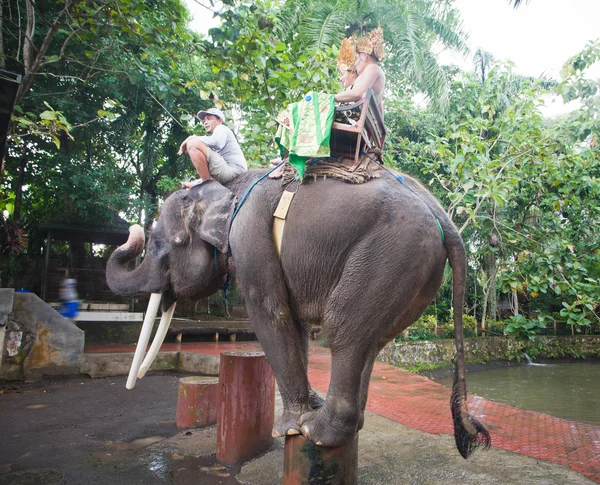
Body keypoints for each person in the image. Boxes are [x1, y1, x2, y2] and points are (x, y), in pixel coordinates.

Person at [178, 107, 248, 188]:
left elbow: (217, 143)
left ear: (220, 120)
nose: (205, 122)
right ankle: (203, 184)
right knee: (195, 144)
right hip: (228, 171)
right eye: (204, 120)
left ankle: (207, 187)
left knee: (192, 144)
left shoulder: (221, 128)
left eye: (209, 119)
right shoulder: (214, 137)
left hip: (233, 170)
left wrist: (192, 138)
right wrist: (193, 184)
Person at [334, 27, 386, 116]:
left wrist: (330, 98)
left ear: (365, 56)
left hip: (353, 116)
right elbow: (380, 105)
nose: (356, 63)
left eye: (357, 58)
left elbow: (358, 93)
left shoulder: (372, 68)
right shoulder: (372, 72)